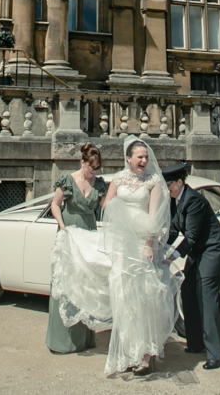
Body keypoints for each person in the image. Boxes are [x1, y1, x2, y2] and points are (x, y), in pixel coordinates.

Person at [100, 136, 181, 375]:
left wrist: (148, 244)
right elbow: (107, 204)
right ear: (128, 158)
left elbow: (154, 217)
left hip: (141, 245)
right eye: (140, 157)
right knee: (124, 297)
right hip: (123, 245)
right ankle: (128, 352)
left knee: (145, 297)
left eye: (146, 157)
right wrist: (123, 217)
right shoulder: (118, 178)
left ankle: (146, 355)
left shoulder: (154, 181)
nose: (144, 160)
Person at [163, 162, 220, 370]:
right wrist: (158, 246)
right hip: (198, 252)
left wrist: (170, 257)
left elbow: (191, 237)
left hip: (213, 250)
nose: (167, 189)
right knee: (188, 291)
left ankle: (217, 355)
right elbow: (174, 229)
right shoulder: (177, 200)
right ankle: (195, 343)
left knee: (206, 298)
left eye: (170, 185)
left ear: (179, 182)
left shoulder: (194, 201)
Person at [46, 143, 106, 353]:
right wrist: (62, 227)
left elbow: (108, 207)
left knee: (85, 284)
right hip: (69, 231)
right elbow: (55, 204)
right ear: (82, 163)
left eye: (96, 168)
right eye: (91, 168)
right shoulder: (68, 180)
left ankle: (83, 339)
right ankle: (61, 340)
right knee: (65, 283)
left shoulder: (99, 184)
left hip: (88, 232)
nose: (93, 172)